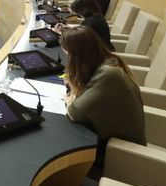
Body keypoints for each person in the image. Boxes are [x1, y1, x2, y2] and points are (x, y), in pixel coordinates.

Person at [61, 26, 145, 169]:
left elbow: (75, 113)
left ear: (78, 56)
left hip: (121, 154)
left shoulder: (109, 75)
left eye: (69, 56)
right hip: (114, 141)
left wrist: (70, 100)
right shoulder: (108, 62)